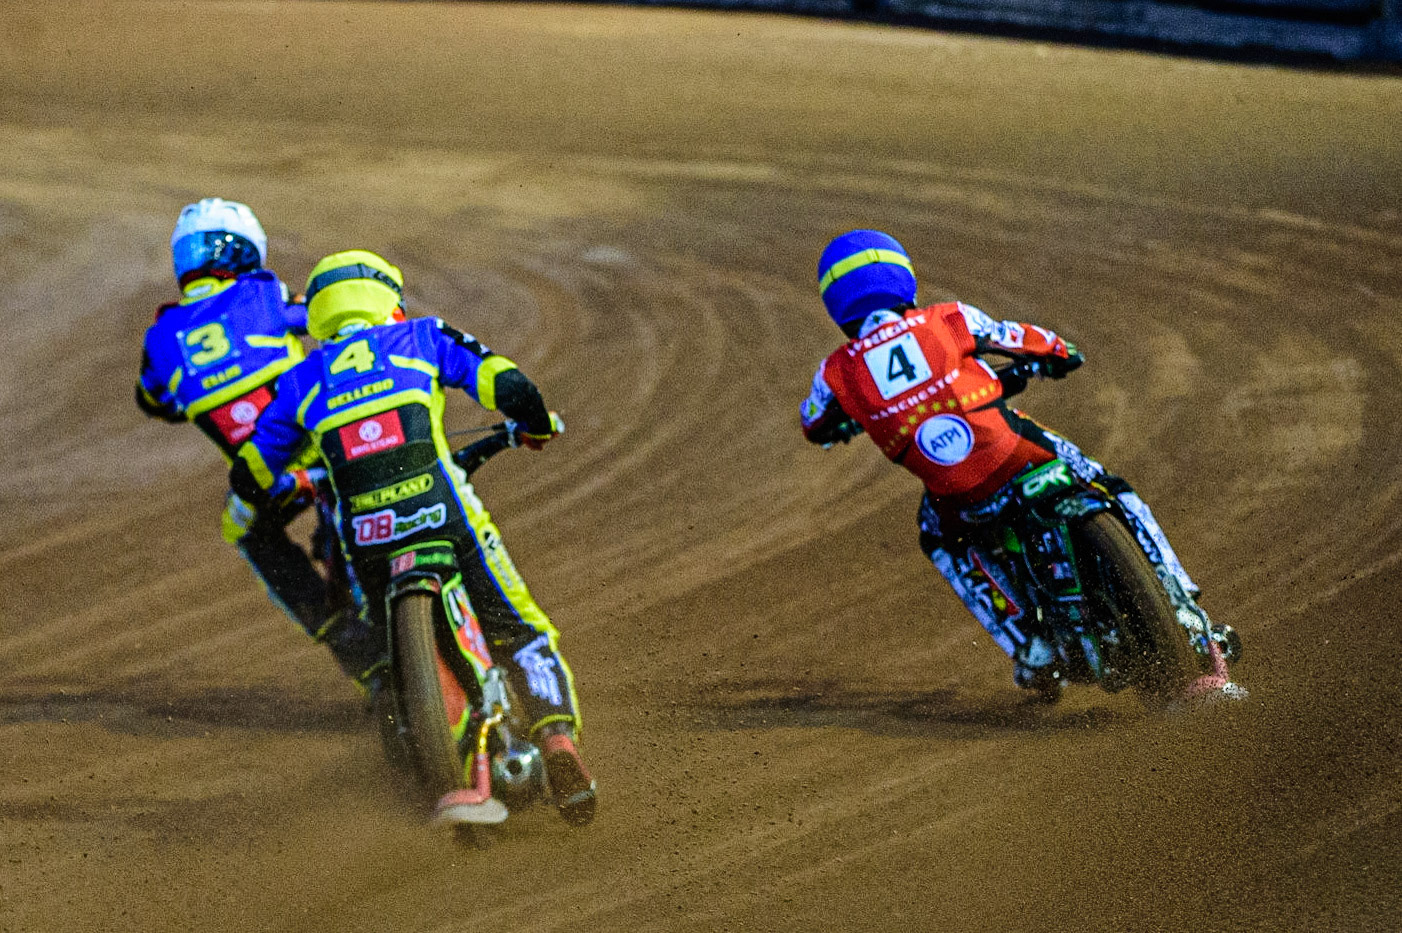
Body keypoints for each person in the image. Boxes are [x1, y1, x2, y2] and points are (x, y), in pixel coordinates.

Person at [227, 249, 596, 825]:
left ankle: (455, 769)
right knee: (519, 628)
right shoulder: (422, 338)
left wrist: (292, 478)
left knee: (402, 661)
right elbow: (510, 385)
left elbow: (248, 475)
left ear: (320, 315)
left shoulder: (300, 380)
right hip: (443, 513)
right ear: (388, 302)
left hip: (366, 539)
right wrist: (536, 422)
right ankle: (557, 744)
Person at [800, 229, 1224, 697]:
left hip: (957, 496)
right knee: (1109, 485)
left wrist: (848, 422)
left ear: (835, 304)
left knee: (941, 542)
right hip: (1017, 452)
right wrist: (1060, 354)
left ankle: (1029, 645)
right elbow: (1023, 338)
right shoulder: (947, 318)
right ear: (903, 280)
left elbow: (814, 424)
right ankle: (1180, 598)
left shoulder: (835, 373)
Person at [135, 198, 370, 677]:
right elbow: (323, 320)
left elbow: (153, 401)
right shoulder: (263, 293)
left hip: (263, 482)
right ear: (243, 252)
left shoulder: (159, 339)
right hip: (330, 450)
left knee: (243, 529)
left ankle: (339, 633)